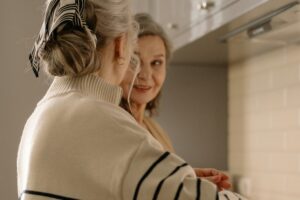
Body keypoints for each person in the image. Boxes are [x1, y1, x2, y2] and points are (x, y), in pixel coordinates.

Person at [17, 0, 244, 199]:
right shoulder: (106, 123)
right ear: (121, 45)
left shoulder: (40, 116)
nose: (143, 74)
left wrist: (169, 179)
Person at [120, 13, 231, 191]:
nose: (145, 75)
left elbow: (151, 183)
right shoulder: (115, 127)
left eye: (156, 62)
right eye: (134, 61)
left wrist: (190, 179)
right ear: (118, 62)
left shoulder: (154, 129)